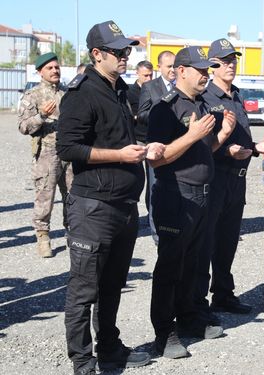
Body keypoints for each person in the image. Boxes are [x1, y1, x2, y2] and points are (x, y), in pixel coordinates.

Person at [57, 20, 160, 374]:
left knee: (113, 285)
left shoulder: (118, 89)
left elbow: (120, 138)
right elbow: (68, 147)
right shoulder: (82, 92)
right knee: (85, 289)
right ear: (97, 54)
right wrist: (121, 156)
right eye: (118, 52)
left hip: (123, 206)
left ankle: (110, 348)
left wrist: (145, 148)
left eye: (127, 51)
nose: (125, 57)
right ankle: (83, 363)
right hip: (93, 207)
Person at [147, 46, 236, 359]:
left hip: (202, 194)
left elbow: (204, 149)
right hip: (176, 195)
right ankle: (164, 331)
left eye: (206, 70)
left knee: (194, 263)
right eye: (199, 70)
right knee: (170, 265)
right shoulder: (165, 109)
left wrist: (222, 134)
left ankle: (189, 318)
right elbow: (157, 159)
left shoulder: (202, 104)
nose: (205, 75)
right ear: (181, 71)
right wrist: (191, 134)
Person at [196, 38, 264, 320]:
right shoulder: (205, 97)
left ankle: (223, 294)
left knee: (228, 240)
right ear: (213, 65)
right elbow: (202, 143)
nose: (230, 64)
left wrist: (255, 149)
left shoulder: (236, 96)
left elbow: (241, 137)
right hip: (216, 176)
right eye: (224, 60)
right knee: (208, 240)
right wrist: (226, 149)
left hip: (237, 179)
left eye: (233, 59)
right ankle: (199, 300)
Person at [17, 52, 73, 258]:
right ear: (40, 72)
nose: (55, 71)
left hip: (69, 152)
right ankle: (43, 236)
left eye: (57, 67)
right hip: (46, 155)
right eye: (50, 68)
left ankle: (72, 232)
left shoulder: (68, 94)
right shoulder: (32, 96)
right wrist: (41, 116)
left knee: (73, 195)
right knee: (45, 197)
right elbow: (23, 127)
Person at [136, 50, 176, 244]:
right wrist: (161, 112)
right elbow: (141, 114)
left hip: (178, 147)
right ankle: (157, 234)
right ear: (160, 67)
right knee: (155, 189)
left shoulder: (182, 87)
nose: (173, 70)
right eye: (169, 67)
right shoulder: (150, 87)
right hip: (156, 147)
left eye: (175, 66)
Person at [127, 60, 153, 124]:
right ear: (137, 74)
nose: (149, 79)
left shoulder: (156, 90)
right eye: (146, 75)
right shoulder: (129, 91)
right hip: (137, 132)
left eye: (151, 75)